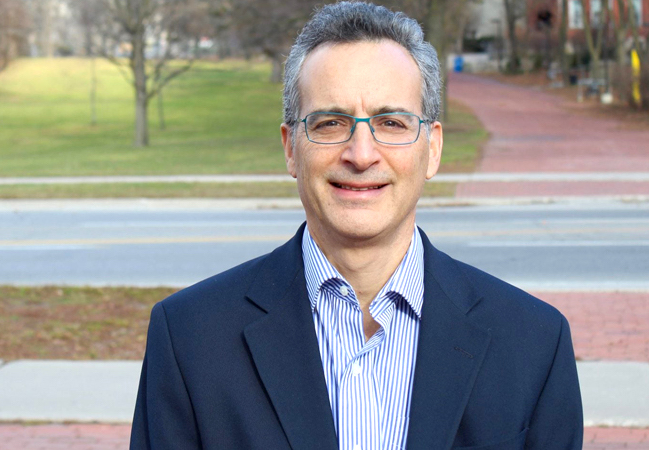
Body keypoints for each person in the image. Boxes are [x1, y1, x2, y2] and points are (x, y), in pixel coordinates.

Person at [130, 2, 583, 449]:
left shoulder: (533, 344)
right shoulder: (190, 339)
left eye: (391, 122)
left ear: (433, 147)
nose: (361, 154)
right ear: (291, 148)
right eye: (330, 123)